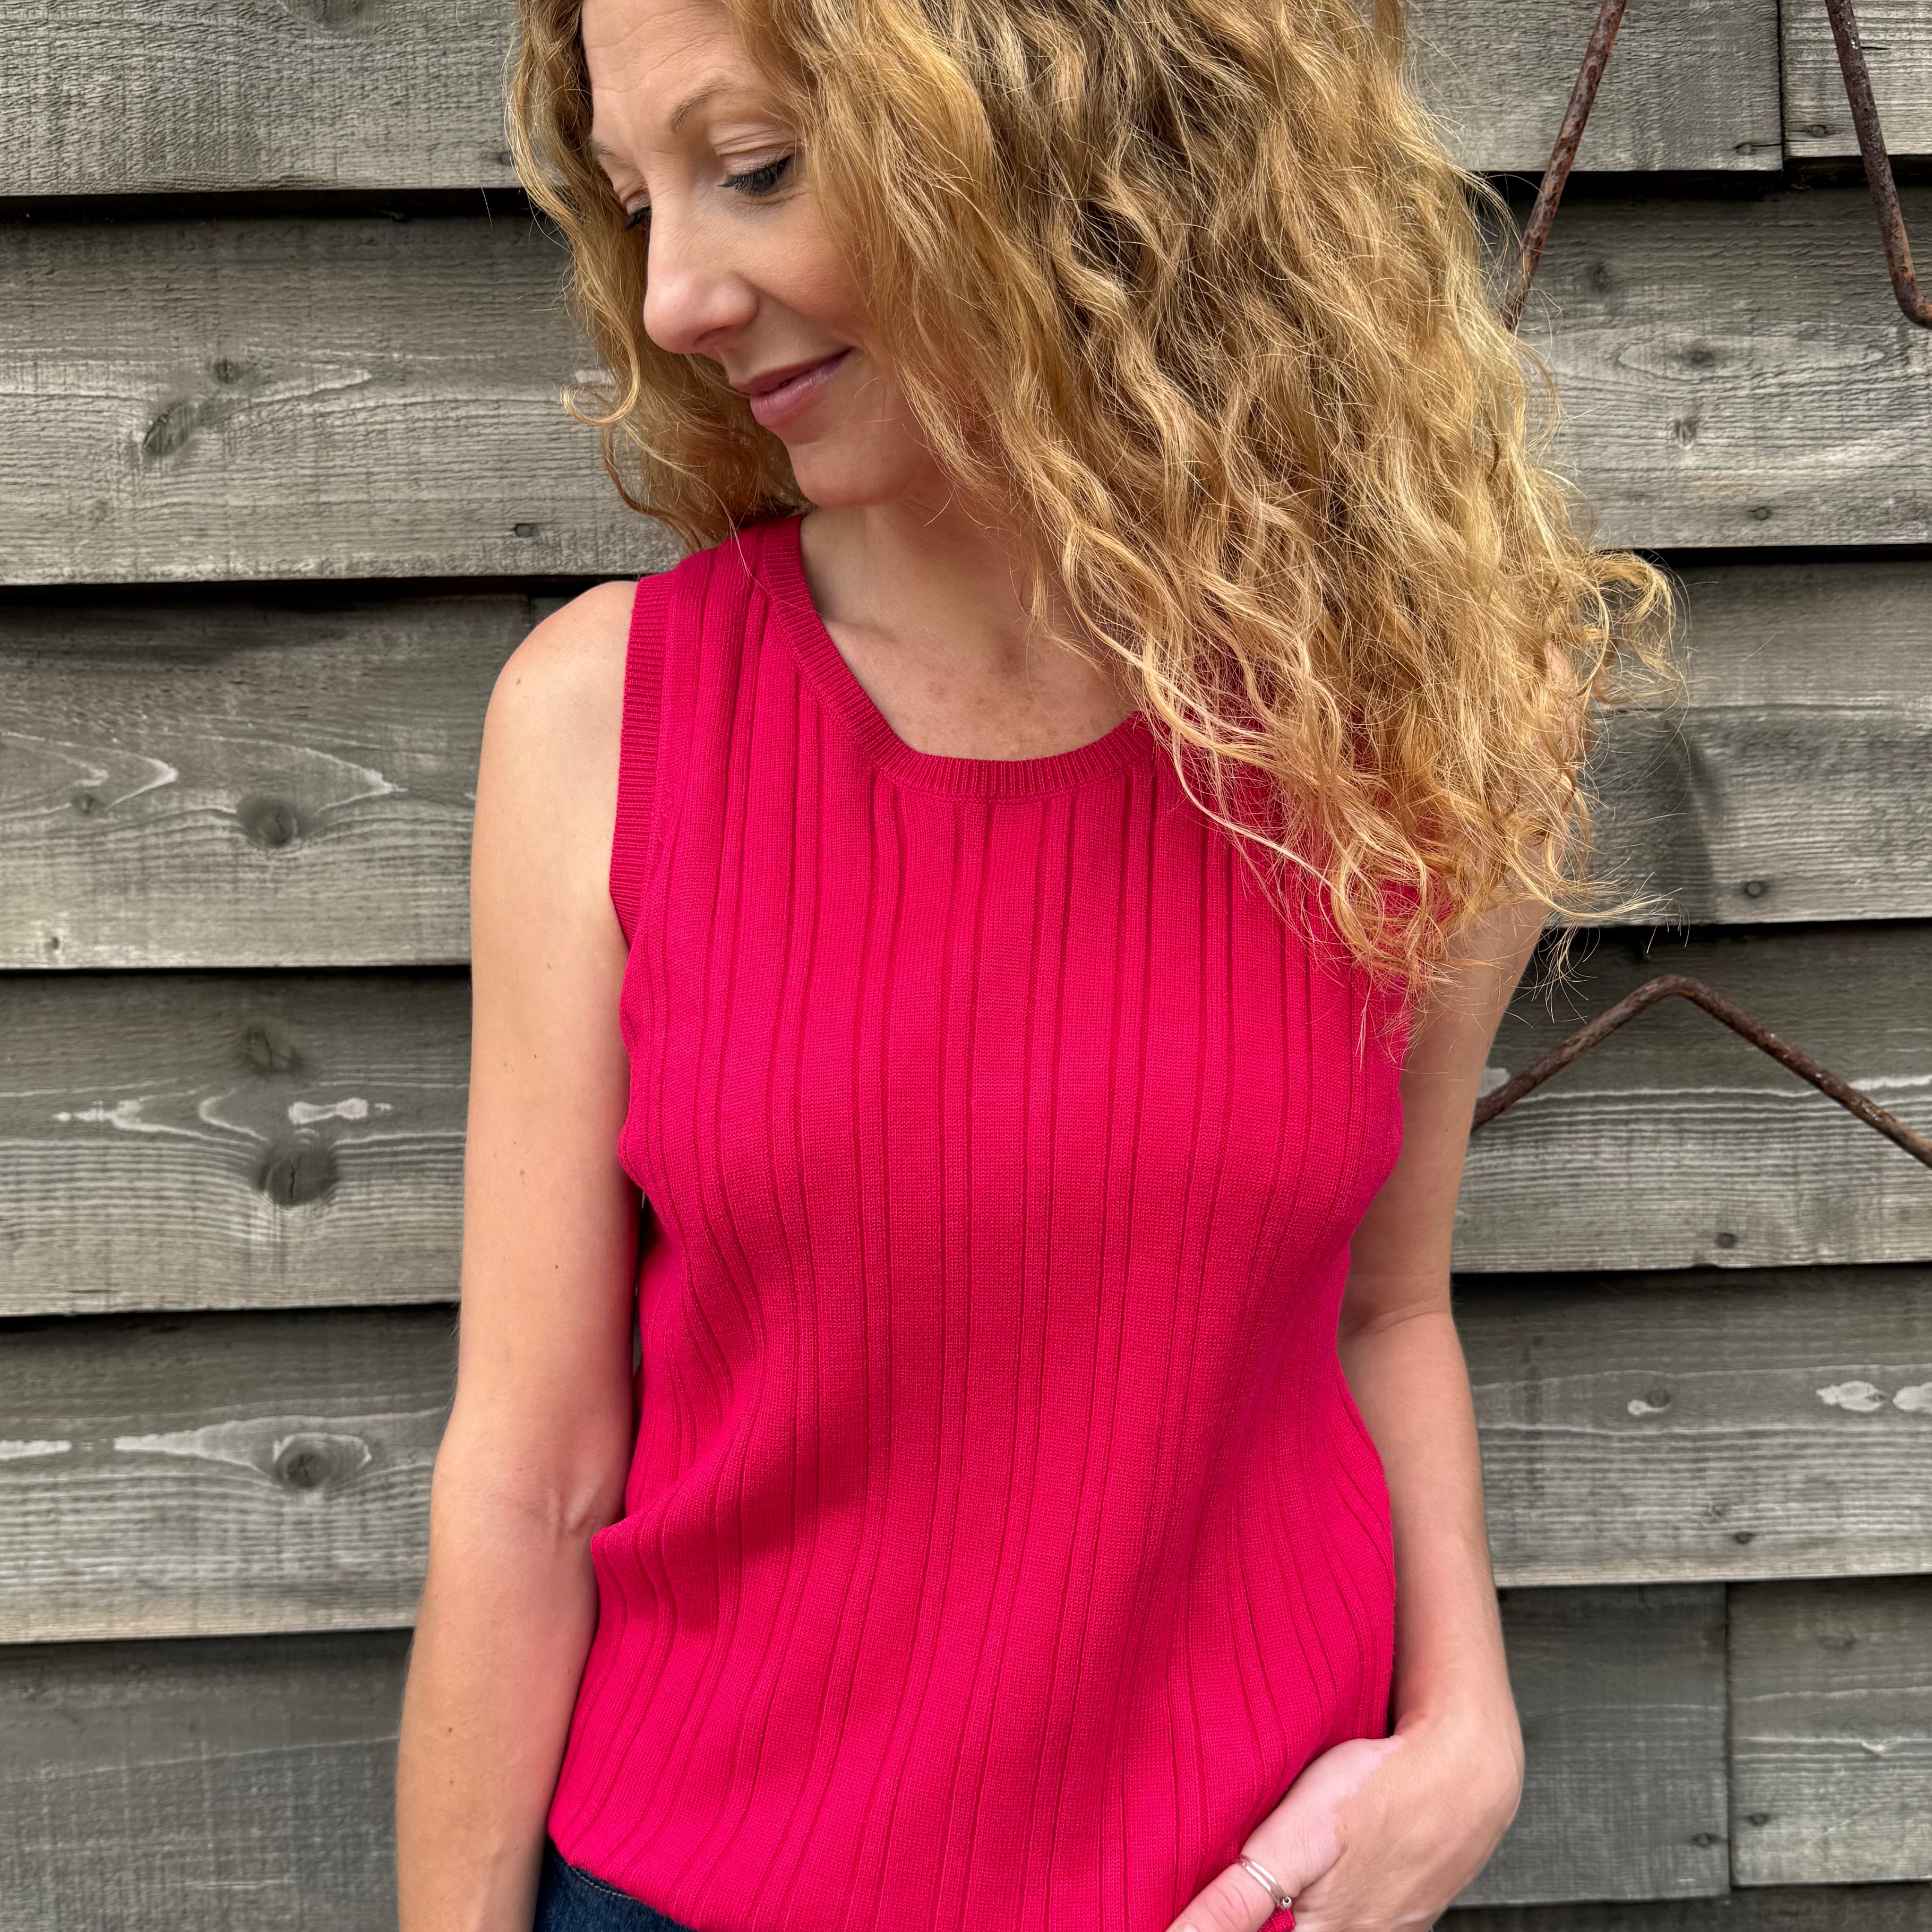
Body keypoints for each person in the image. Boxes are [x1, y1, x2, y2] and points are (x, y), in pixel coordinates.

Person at [393, 2, 1677, 1929]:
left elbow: (1381, 1307)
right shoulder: (609, 720)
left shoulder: (1412, 720)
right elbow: (530, 1474)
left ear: (1038, 130)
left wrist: (1468, 1732)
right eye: (634, 198)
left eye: (750, 171)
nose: (670, 298)